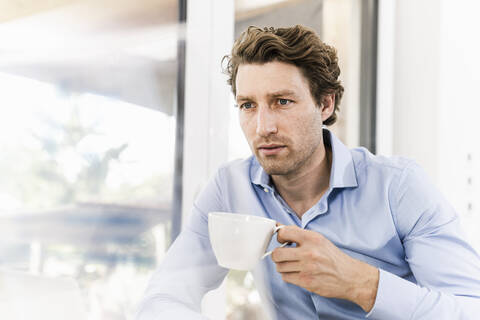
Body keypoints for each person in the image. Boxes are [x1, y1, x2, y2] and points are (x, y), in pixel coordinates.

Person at [135, 25, 480, 319]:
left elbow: (470, 308)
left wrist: (360, 283)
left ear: (325, 103)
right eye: (248, 105)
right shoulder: (229, 189)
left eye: (282, 101)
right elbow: (164, 297)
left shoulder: (398, 186)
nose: (263, 126)